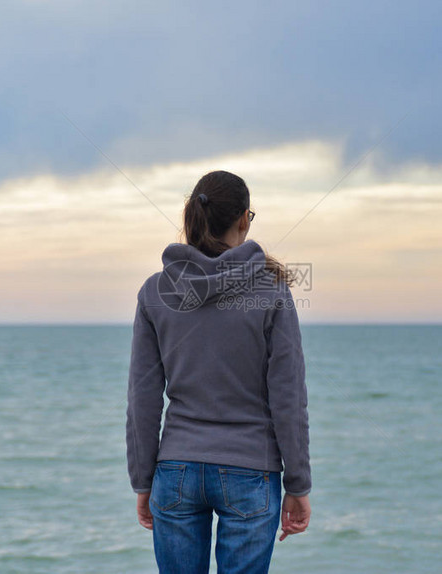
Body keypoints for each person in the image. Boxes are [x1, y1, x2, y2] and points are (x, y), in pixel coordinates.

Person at [126, 170, 312, 573]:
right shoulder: (272, 291)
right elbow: (288, 397)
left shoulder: (155, 292)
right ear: (244, 219)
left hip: (175, 472)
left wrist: (143, 480)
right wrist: (297, 484)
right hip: (251, 472)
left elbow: (142, 397)